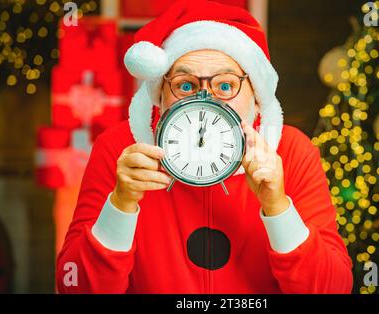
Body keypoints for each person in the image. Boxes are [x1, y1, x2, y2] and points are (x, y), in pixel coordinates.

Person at [57, 0, 353, 293]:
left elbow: (332, 288)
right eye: (185, 85)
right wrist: (121, 204)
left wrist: (277, 207)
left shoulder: (290, 153)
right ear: (160, 92)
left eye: (225, 86)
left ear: (255, 94)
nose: (204, 100)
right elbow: (75, 286)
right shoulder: (121, 151)